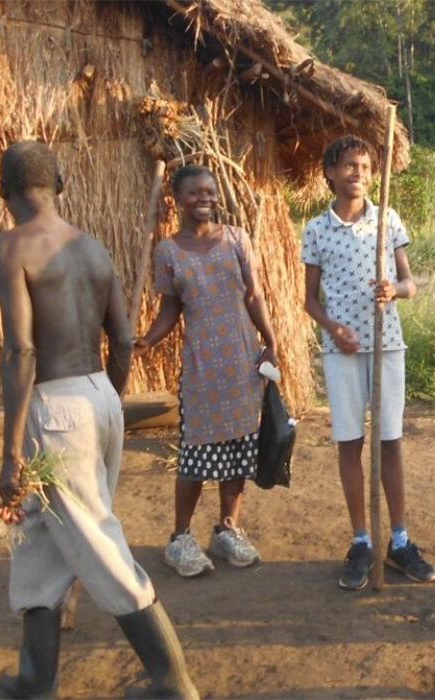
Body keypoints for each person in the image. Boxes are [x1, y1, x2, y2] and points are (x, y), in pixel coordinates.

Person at [0, 141, 197, 698]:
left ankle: (170, 680)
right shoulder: (92, 248)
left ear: (2, 190)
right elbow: (123, 334)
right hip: (97, 398)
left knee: (95, 540)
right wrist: (106, 400)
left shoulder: (12, 248)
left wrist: (12, 452)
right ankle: (36, 678)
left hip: (55, 405)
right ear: (60, 183)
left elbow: (20, 352)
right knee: (37, 537)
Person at [302, 135, 435, 591]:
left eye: (364, 166)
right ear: (330, 173)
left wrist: (393, 290)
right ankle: (361, 539)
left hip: (387, 345)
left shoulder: (387, 220)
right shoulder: (317, 229)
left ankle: (399, 540)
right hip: (343, 351)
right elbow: (308, 299)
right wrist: (334, 329)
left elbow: (410, 283)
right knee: (349, 440)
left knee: (390, 441)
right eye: (348, 166)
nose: (358, 173)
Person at [135, 164, 276, 578]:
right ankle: (180, 539)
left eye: (210, 192)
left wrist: (270, 339)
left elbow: (253, 294)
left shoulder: (236, 239)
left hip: (241, 362)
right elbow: (170, 309)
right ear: (177, 199)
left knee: (239, 450)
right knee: (197, 455)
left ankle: (227, 530)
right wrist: (149, 338)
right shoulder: (168, 251)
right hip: (201, 368)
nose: (205, 199)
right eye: (195, 193)